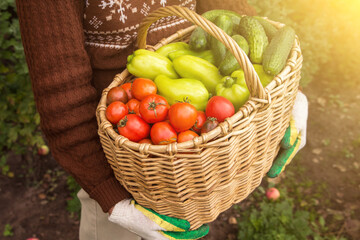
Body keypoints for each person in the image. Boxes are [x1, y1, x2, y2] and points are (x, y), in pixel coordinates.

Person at [16, 0, 308, 239]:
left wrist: (282, 89)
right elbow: (62, 96)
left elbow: (228, 13)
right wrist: (114, 198)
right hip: (123, 162)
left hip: (201, 140)